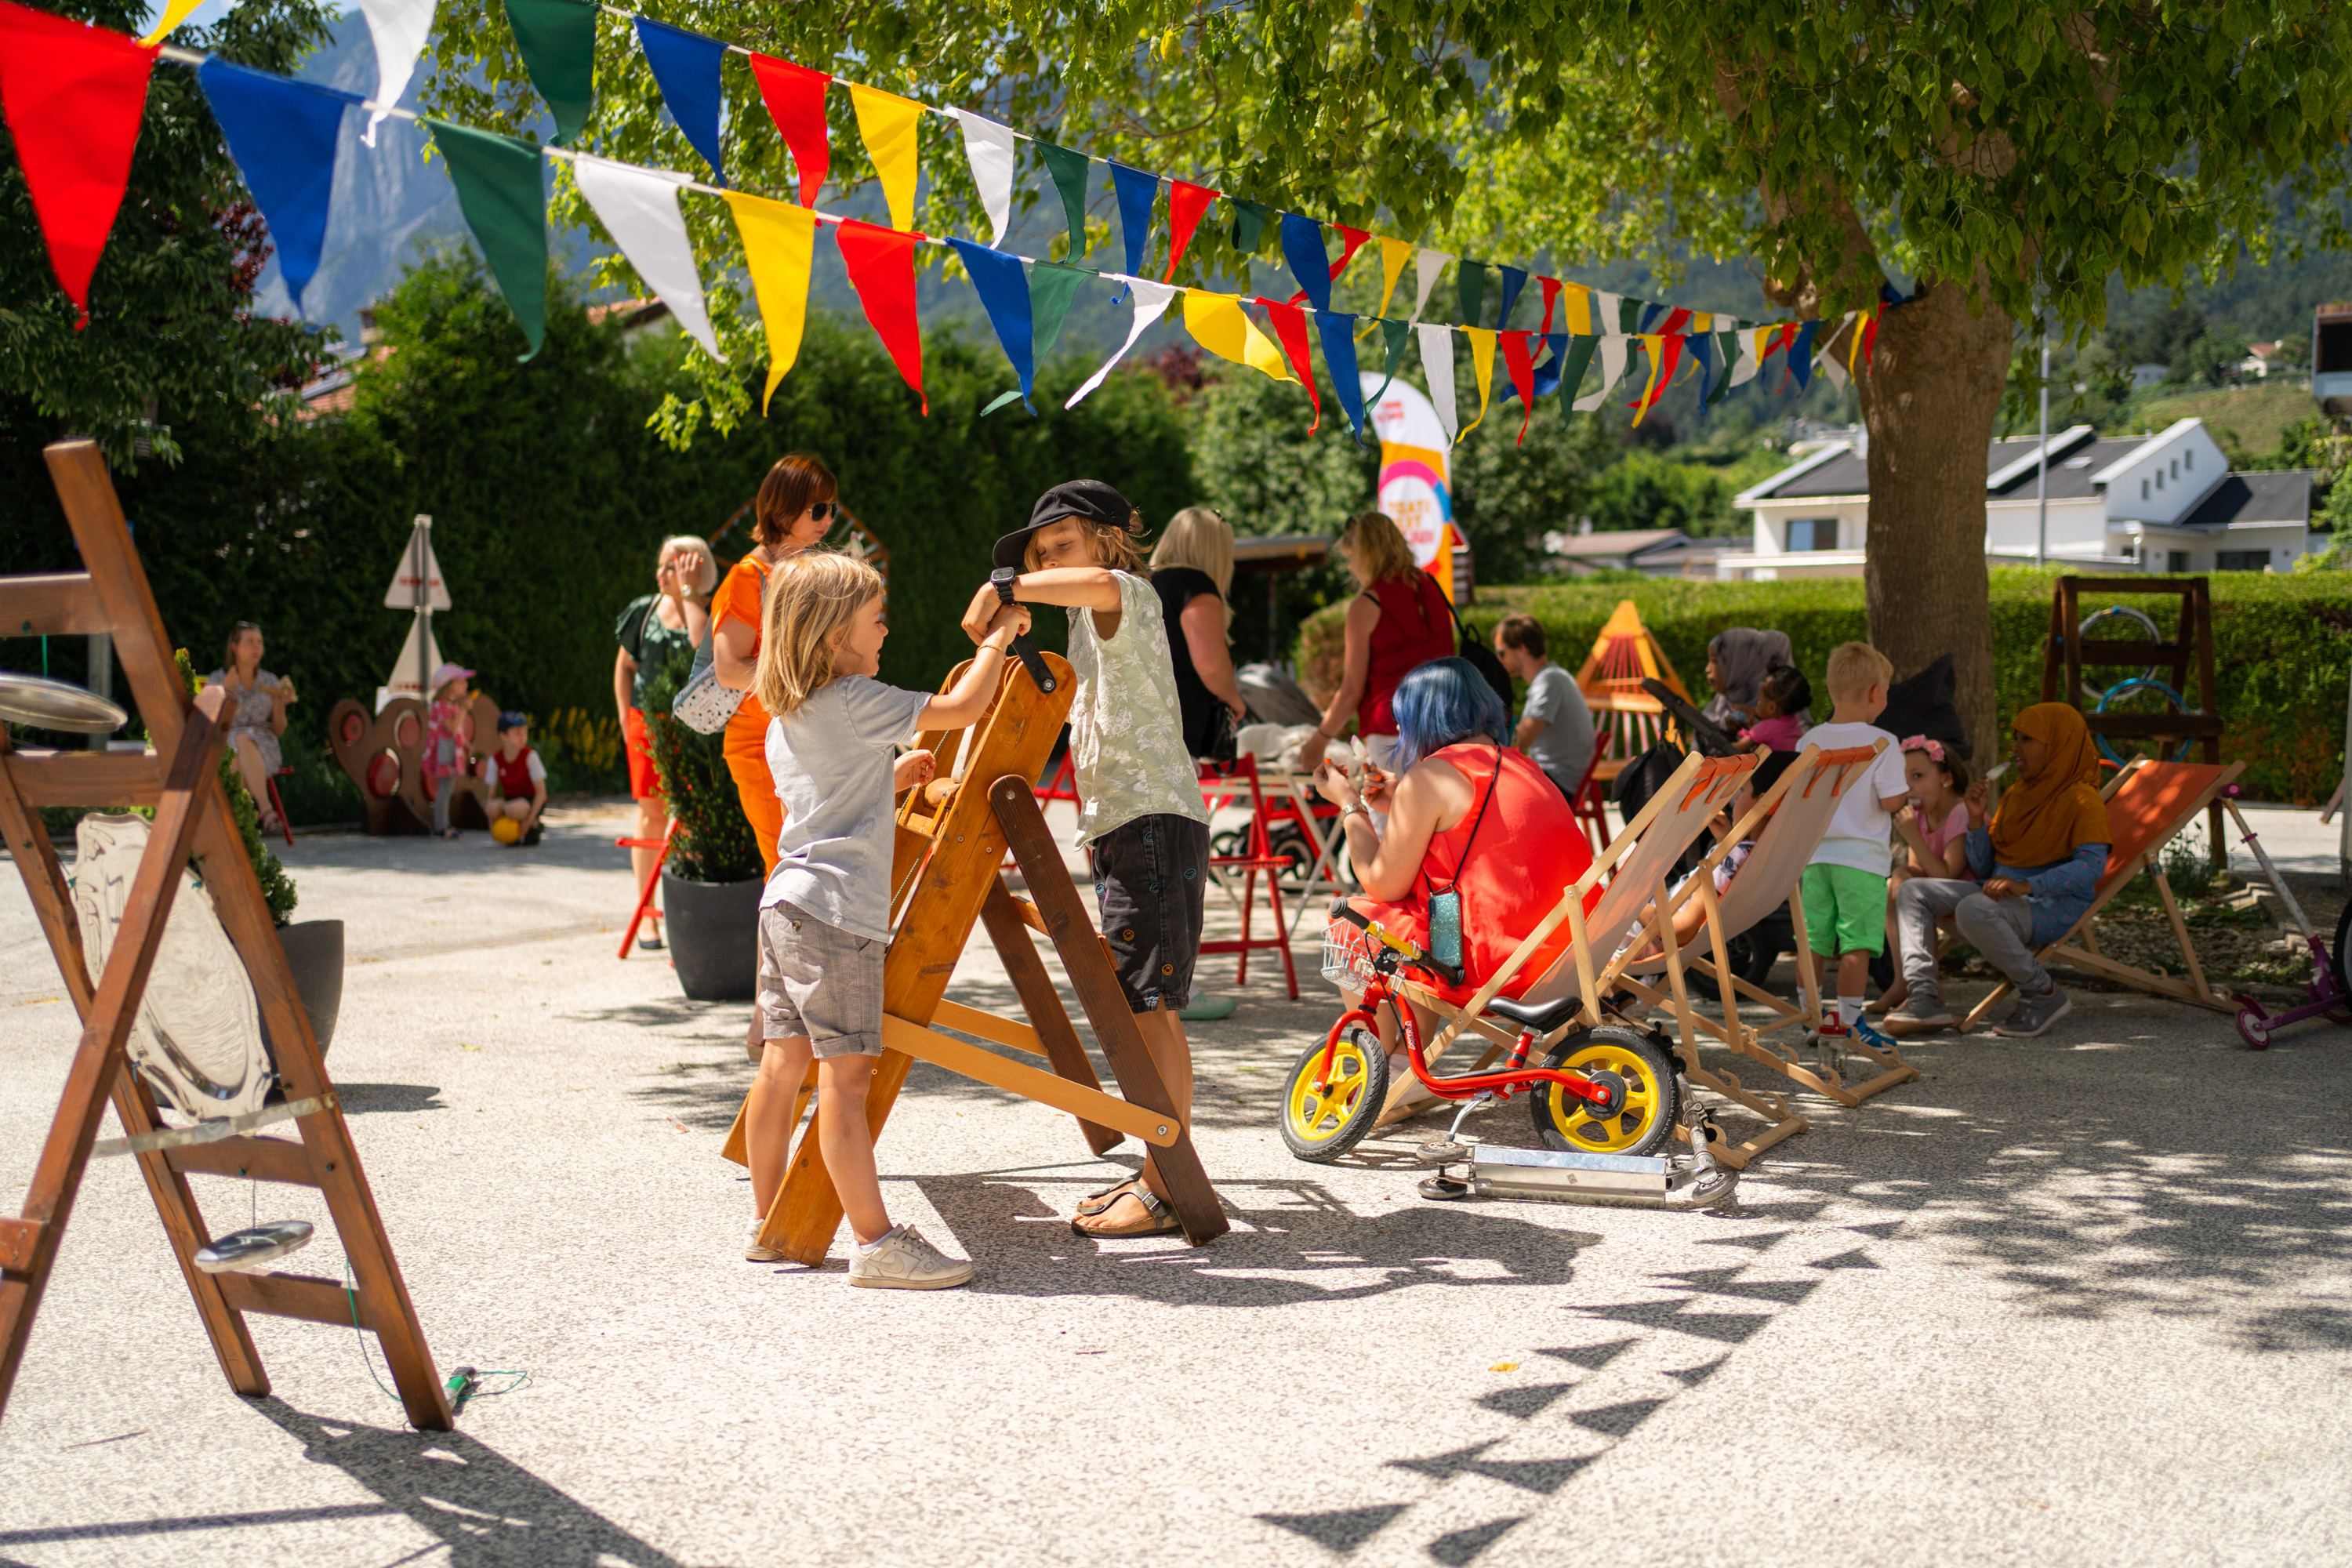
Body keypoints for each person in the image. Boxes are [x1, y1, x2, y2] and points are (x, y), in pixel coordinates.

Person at [741, 552, 1032, 1286]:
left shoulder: (788, 717)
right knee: (847, 1080)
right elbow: (962, 708)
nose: (885, 629)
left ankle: (769, 1223)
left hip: (785, 905)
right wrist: (997, 643)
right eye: (875, 618)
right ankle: (875, 1244)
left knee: (782, 1068)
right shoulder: (853, 697)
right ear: (837, 633)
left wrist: (887, 774)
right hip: (837, 914)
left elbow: (822, 797)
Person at [961, 480, 1220, 1240]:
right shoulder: (1085, 619)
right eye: (1037, 553)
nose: (1047, 561)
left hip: (1151, 818)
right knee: (1146, 1007)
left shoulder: (1128, 594)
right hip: (1123, 822)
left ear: (1108, 539)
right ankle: (1159, 1167)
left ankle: (1166, 1179)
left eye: (1061, 545)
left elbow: (1099, 583)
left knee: (1152, 1012)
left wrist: (1006, 583)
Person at [1310, 658, 1597, 1103]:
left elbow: (1381, 886)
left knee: (1355, 919)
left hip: (1495, 965)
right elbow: (1470, 837)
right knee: (1415, 920)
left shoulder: (1430, 777)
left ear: (1420, 720)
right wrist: (1398, 802)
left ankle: (1384, 1069)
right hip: (1564, 954)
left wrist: (1350, 804)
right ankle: (1404, 1066)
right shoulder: (1524, 766)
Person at [1886, 705, 2112, 1040]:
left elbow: (2091, 867)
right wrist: (1977, 822)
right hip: (1999, 894)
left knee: (1972, 908)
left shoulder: (2083, 800)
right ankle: (1925, 996)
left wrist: (2027, 885)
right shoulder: (2018, 794)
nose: (2015, 748)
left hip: (2047, 904)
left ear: (2058, 744)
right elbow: (1985, 864)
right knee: (1911, 890)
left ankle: (2042, 992)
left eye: (2027, 739)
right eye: (2015, 739)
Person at [712, 455, 839, 877]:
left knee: (805, 864)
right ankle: (779, 946)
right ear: (782, 509)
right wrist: (799, 681)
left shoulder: (806, 573)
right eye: (817, 509)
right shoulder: (748, 577)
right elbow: (728, 668)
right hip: (757, 743)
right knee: (784, 866)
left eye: (831, 509)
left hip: (800, 738)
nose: (827, 519)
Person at [1796, 643, 1909, 1053]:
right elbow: (1892, 801)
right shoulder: (1884, 742)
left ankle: (1810, 1017)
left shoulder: (1809, 740)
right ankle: (1847, 1022)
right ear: (1875, 692)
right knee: (1856, 944)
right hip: (1861, 861)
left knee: (1813, 941)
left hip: (1816, 858)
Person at [1297, 511, 1457, 789]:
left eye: (1350, 557)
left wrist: (1319, 740)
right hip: (1444, 724)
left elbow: (1351, 691)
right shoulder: (1431, 586)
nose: (1349, 567)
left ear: (1365, 554)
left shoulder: (1368, 603)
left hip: (1392, 732)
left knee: (1390, 827)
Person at [615, 535, 715, 947]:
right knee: (651, 816)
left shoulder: (707, 610)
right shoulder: (644, 611)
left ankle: (684, 914)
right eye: (661, 566)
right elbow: (624, 668)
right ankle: (647, 916)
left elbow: (700, 646)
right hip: (646, 723)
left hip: (692, 726)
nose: (661, 574)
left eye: (671, 567)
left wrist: (690, 593)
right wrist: (625, 719)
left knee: (692, 820)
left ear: (694, 568)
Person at [1871, 737, 1973, 1014]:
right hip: (1931, 899)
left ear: (1947, 779)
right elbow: (1918, 874)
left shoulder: (1960, 812)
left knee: (1902, 879)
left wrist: (1913, 838)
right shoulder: (1922, 816)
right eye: (1904, 780)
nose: (1909, 787)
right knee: (1896, 879)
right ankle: (1904, 978)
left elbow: (1947, 875)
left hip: (1970, 898)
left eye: (1917, 776)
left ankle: (1918, 982)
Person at [1149, 506, 1248, 758]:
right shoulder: (1194, 583)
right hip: (1175, 735)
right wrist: (1235, 701)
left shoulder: (1143, 583)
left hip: (1136, 724)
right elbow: (1211, 665)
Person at [205, 621, 296, 836]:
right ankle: (266, 812)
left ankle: (234, 826)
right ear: (234, 647)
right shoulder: (218, 680)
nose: (257, 647)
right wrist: (225, 691)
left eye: (260, 642)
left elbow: (279, 729)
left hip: (264, 748)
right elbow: (209, 721)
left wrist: (280, 705)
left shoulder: (270, 681)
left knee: (243, 741)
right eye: (250, 642)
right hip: (226, 746)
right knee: (239, 745)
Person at [1491, 613, 1595, 800]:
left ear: (1521, 649)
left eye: (1501, 653)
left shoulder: (1549, 682)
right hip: (1560, 779)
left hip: (1559, 783)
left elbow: (1519, 741)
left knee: (1485, 792)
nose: (1499, 661)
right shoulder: (1555, 676)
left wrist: (1483, 745)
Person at [1702, 627, 1798, 733]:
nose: (1707, 669)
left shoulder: (1786, 717)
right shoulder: (1713, 711)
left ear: (1741, 665)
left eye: (1715, 661)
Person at [422, 662, 475, 840]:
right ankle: (441, 827)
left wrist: (465, 743)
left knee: (447, 788)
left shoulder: (448, 705)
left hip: (449, 750)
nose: (465, 685)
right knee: (444, 789)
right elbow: (451, 728)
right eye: (460, 682)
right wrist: (464, 710)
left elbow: (454, 731)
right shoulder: (443, 705)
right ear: (448, 685)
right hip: (445, 752)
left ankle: (444, 824)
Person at [481, 711, 548, 846]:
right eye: (517, 733)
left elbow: (542, 793)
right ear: (503, 736)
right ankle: (512, 832)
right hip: (511, 800)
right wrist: (491, 823)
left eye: (525, 732)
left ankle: (534, 825)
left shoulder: (530, 756)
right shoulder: (496, 759)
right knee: (492, 808)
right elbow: (491, 794)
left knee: (513, 809)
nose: (522, 737)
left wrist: (528, 821)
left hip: (530, 800)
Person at [1732, 665, 1811, 753]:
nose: (1757, 704)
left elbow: (1737, 748)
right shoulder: (1793, 722)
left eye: (1759, 700)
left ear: (1771, 708)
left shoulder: (1766, 727)